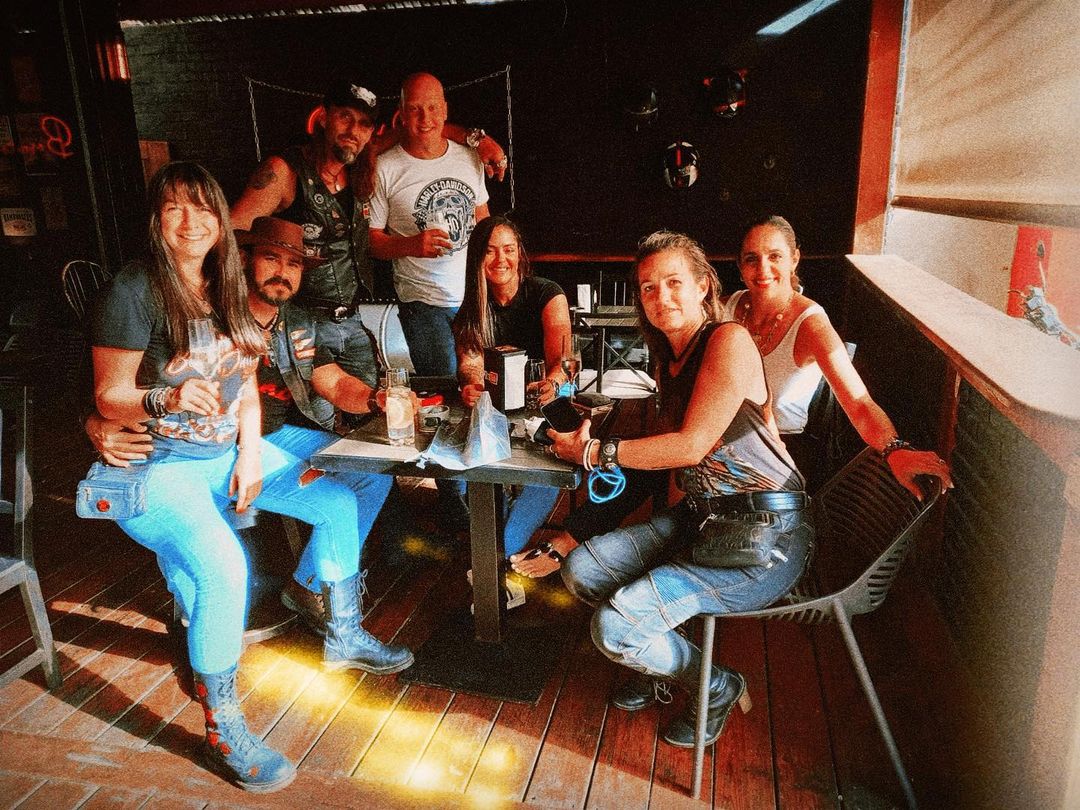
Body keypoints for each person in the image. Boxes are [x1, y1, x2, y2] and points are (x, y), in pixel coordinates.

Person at [88, 164, 407, 794]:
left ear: (220, 219)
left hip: (227, 455)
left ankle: (342, 633)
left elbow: (246, 383)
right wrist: (164, 399)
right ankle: (224, 728)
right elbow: (108, 396)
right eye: (174, 209)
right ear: (155, 218)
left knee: (337, 502)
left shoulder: (223, 282)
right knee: (224, 569)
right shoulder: (133, 289)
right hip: (158, 468)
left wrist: (252, 455)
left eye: (203, 209)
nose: (191, 223)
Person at [549, 230, 815, 750]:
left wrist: (595, 452)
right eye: (648, 288)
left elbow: (690, 446)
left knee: (615, 629)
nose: (661, 297)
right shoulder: (669, 357)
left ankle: (715, 685)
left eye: (674, 283)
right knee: (580, 570)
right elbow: (662, 446)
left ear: (703, 286)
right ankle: (659, 666)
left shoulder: (727, 340)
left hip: (767, 539)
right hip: (704, 520)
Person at [232, 77, 507, 383]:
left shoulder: (360, 168)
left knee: (374, 403)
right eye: (344, 117)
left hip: (351, 320)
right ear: (323, 118)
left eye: (363, 124)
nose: (353, 131)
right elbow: (232, 235)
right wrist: (243, 310)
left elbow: (419, 130)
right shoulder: (285, 171)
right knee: (316, 408)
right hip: (299, 322)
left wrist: (476, 139)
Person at [725, 214, 953, 496]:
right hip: (719, 446)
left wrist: (894, 450)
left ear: (794, 259)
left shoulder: (811, 325)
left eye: (775, 256)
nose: (763, 269)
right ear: (740, 266)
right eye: (751, 258)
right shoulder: (726, 308)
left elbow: (859, 402)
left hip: (778, 461)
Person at [368, 72, 491, 526]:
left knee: (484, 390)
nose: (425, 118)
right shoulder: (386, 167)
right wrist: (411, 245)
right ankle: (454, 498)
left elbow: (484, 223)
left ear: (445, 110)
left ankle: (487, 482)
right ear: (401, 113)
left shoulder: (468, 158)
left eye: (433, 107)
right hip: (422, 303)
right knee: (447, 396)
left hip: (472, 299)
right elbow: (372, 242)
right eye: (415, 109)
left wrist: (492, 281)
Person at [452, 216, 568, 567]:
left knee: (549, 468)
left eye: (508, 249)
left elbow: (563, 359)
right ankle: (496, 550)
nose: (501, 259)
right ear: (477, 258)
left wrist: (554, 381)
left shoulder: (547, 293)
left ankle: (498, 554)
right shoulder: (471, 306)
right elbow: (470, 362)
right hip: (496, 405)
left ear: (520, 254)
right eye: (490, 251)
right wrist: (470, 385)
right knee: (470, 466)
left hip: (545, 397)